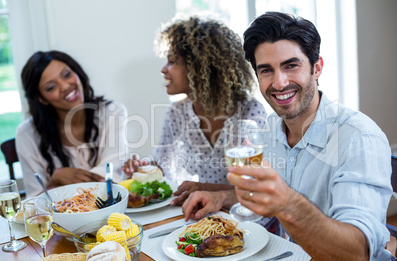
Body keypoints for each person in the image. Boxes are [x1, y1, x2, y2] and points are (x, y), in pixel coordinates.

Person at [181, 12, 392, 261]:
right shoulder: (271, 128)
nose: (279, 83)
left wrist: (287, 203)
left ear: (317, 68)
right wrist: (222, 198)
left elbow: (356, 255)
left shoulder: (359, 139)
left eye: (291, 65)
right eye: (266, 70)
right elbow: (271, 193)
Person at [121, 15, 267, 206]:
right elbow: (162, 162)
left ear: (199, 67)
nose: (164, 69)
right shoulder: (177, 112)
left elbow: (257, 187)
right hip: (208, 214)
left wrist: (203, 187)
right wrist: (143, 167)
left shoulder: (250, 111)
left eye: (172, 61)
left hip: (250, 217)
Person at [16, 50, 127, 197]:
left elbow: (109, 174)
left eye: (67, 74)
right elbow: (35, 200)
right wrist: (55, 178)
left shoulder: (112, 112)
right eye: (51, 87)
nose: (65, 86)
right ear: (42, 99)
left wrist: (57, 186)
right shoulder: (26, 134)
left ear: (77, 73)